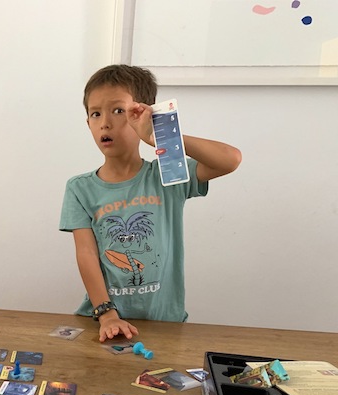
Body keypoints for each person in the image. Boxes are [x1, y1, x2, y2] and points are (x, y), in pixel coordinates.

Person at [59, 65, 241, 342]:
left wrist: (161, 136)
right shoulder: (80, 188)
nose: (105, 123)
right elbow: (86, 253)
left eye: (118, 111)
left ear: (144, 114)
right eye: (96, 114)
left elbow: (230, 159)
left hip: (164, 323)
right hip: (102, 320)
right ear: (88, 124)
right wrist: (106, 312)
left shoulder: (168, 174)